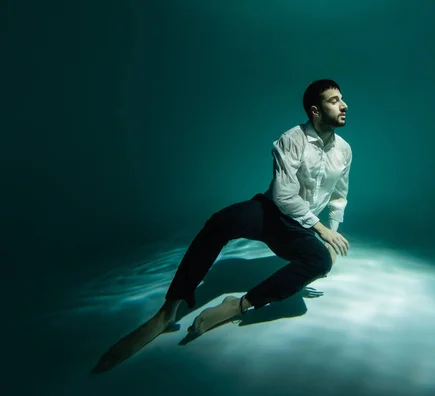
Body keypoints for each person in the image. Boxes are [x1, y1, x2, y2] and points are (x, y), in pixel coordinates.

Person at [92, 79, 352, 373]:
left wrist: (333, 233)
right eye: (334, 101)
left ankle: (239, 305)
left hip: (299, 228)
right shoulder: (291, 140)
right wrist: (321, 228)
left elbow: (339, 196)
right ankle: (167, 312)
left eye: (342, 99)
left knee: (320, 261)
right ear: (315, 111)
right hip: (270, 212)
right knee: (220, 222)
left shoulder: (344, 150)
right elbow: (283, 195)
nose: (343, 105)